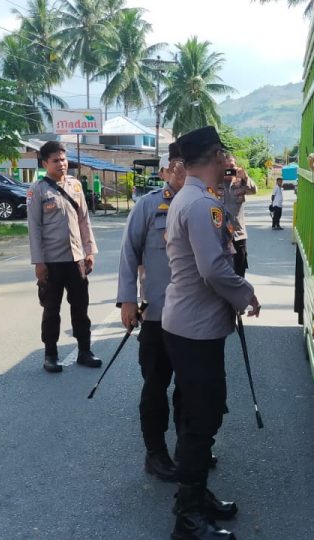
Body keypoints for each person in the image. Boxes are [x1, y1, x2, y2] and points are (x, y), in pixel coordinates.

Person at [163, 126, 261, 540]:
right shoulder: (202, 205)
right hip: (195, 328)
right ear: (216, 155)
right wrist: (246, 294)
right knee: (202, 419)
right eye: (224, 154)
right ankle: (187, 517)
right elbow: (214, 269)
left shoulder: (197, 200)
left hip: (190, 325)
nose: (228, 162)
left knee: (196, 416)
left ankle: (196, 495)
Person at [117, 143, 186, 482]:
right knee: (156, 386)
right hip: (157, 315)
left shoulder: (206, 205)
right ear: (162, 173)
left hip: (192, 317)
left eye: (186, 164)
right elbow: (129, 253)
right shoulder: (147, 206)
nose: (181, 170)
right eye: (174, 165)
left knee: (191, 387)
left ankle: (191, 448)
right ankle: (155, 453)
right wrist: (127, 299)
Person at [27, 141, 100, 373]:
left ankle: (84, 351)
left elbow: (84, 221)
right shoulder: (38, 190)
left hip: (76, 259)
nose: (62, 164)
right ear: (45, 163)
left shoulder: (76, 186)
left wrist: (89, 251)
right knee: (51, 310)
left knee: (81, 308)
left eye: (64, 159)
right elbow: (34, 228)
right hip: (51, 262)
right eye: (56, 160)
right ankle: (50, 354)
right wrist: (39, 262)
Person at [220, 158, 256, 277]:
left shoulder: (240, 182)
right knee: (223, 274)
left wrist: (245, 177)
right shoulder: (214, 183)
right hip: (220, 237)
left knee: (240, 273)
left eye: (232, 166)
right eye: (226, 166)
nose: (229, 169)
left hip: (238, 235)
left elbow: (253, 190)